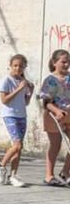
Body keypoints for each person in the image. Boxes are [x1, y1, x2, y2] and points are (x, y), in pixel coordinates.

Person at [0, 54, 33, 187]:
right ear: (10, 66)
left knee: (19, 147)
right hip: (9, 115)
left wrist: (30, 91)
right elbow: (4, 100)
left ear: (24, 67)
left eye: (21, 66)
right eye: (15, 65)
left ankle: (13, 175)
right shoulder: (6, 80)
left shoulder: (23, 81)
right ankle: (0, 165)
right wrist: (19, 88)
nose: (18, 68)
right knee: (17, 145)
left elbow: (25, 102)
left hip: (22, 115)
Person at [39, 49, 70, 186]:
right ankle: (49, 175)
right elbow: (46, 102)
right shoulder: (50, 80)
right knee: (55, 145)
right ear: (54, 62)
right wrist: (57, 111)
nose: (66, 64)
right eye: (63, 62)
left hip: (68, 115)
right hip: (54, 116)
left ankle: (65, 172)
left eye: (68, 62)